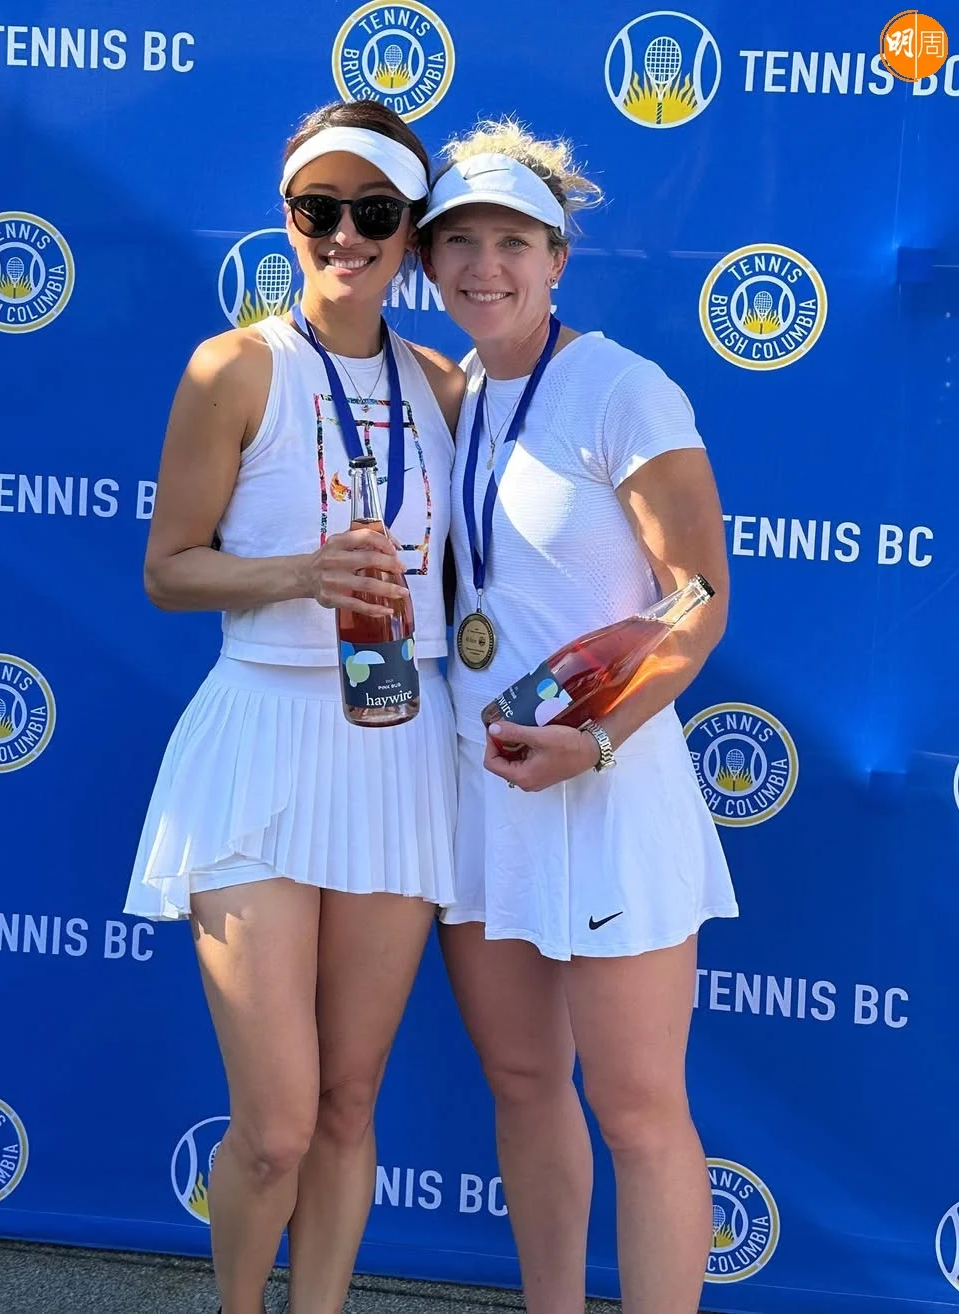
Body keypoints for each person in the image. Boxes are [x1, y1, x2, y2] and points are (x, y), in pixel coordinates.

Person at [124, 101, 463, 1314]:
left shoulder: (444, 386)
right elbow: (169, 570)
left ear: (411, 230)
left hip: (397, 746)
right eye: (320, 209)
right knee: (273, 1126)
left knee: (349, 1102)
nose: (345, 235)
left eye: (374, 212)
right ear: (287, 218)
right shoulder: (233, 368)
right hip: (260, 744)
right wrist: (299, 575)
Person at [419, 118, 739, 1314]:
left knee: (641, 1110)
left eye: (512, 242)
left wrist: (597, 739)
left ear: (558, 259)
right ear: (427, 260)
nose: (484, 266)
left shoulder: (621, 388)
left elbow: (697, 599)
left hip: (608, 784)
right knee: (520, 1081)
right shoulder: (444, 397)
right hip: (485, 789)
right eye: (459, 242)